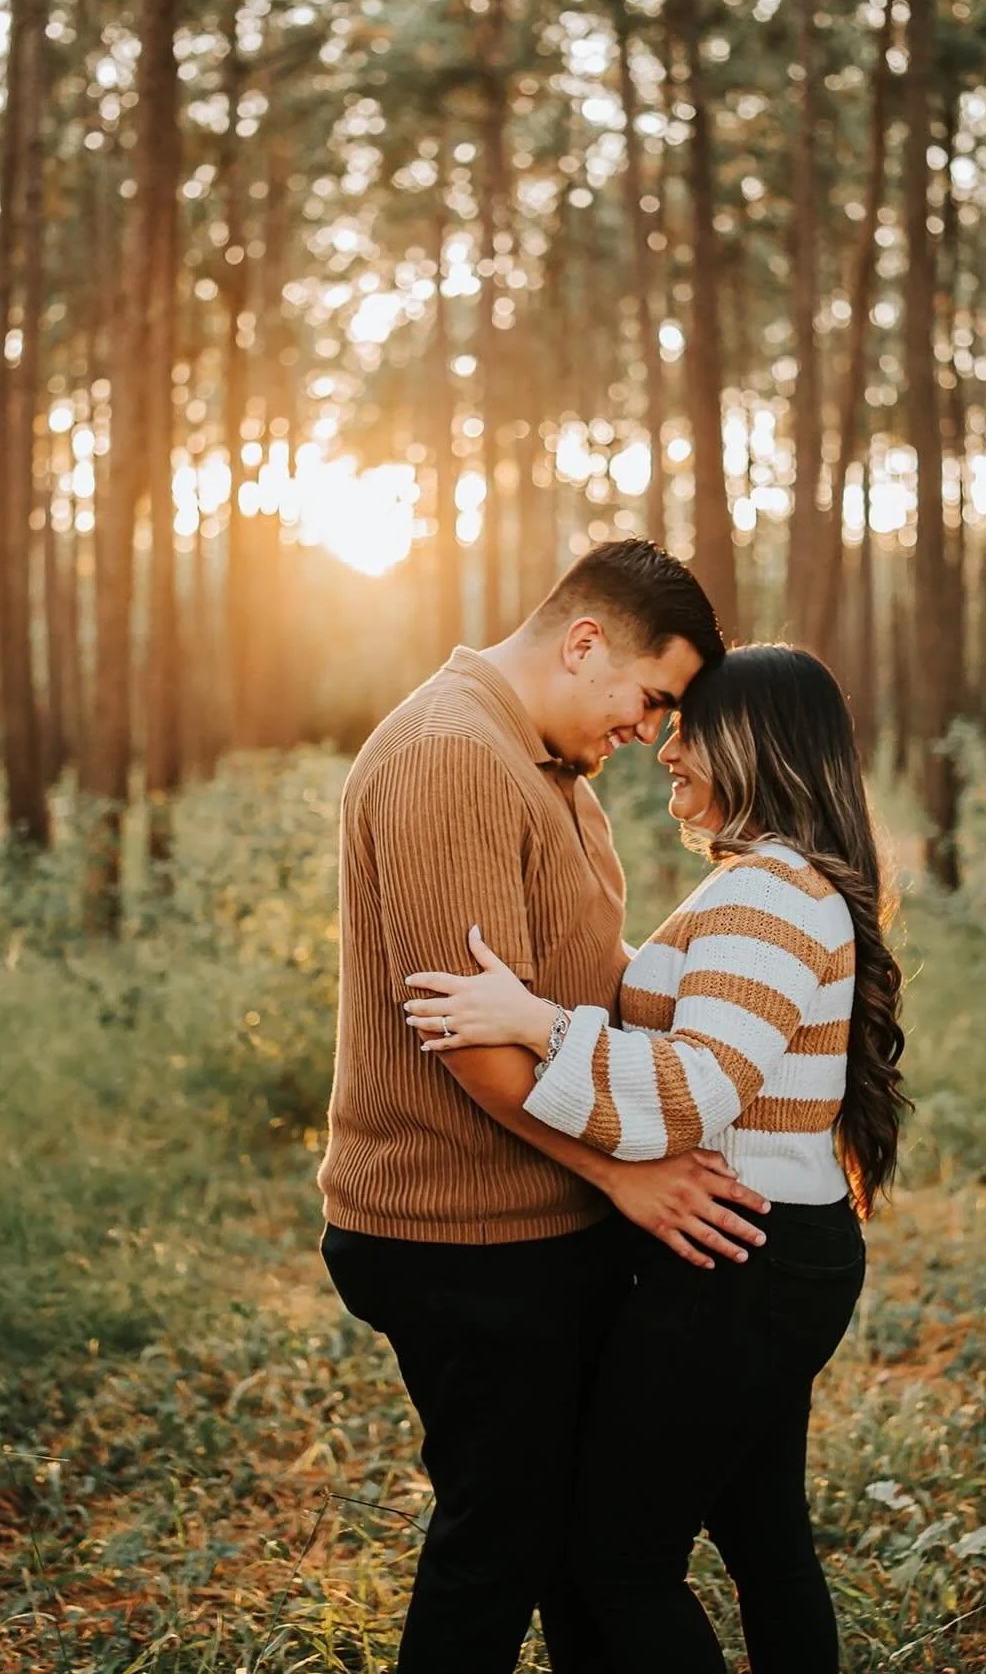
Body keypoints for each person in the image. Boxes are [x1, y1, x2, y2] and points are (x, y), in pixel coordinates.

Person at [404, 643, 908, 1674]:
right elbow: (706, 1012)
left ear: (751, 743)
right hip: (771, 1243)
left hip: (740, 1258)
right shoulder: (775, 887)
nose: (666, 746)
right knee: (766, 1543)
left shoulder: (767, 896)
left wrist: (537, 1023)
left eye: (690, 725)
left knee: (613, 1562)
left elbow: (690, 1090)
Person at [316, 539, 772, 1674]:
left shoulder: (545, 764)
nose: (651, 731)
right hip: (459, 1236)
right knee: (501, 1542)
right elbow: (468, 1039)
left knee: (577, 1539)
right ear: (583, 643)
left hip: (534, 1219)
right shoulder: (451, 756)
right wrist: (625, 1174)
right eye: (650, 697)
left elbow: (570, 977)